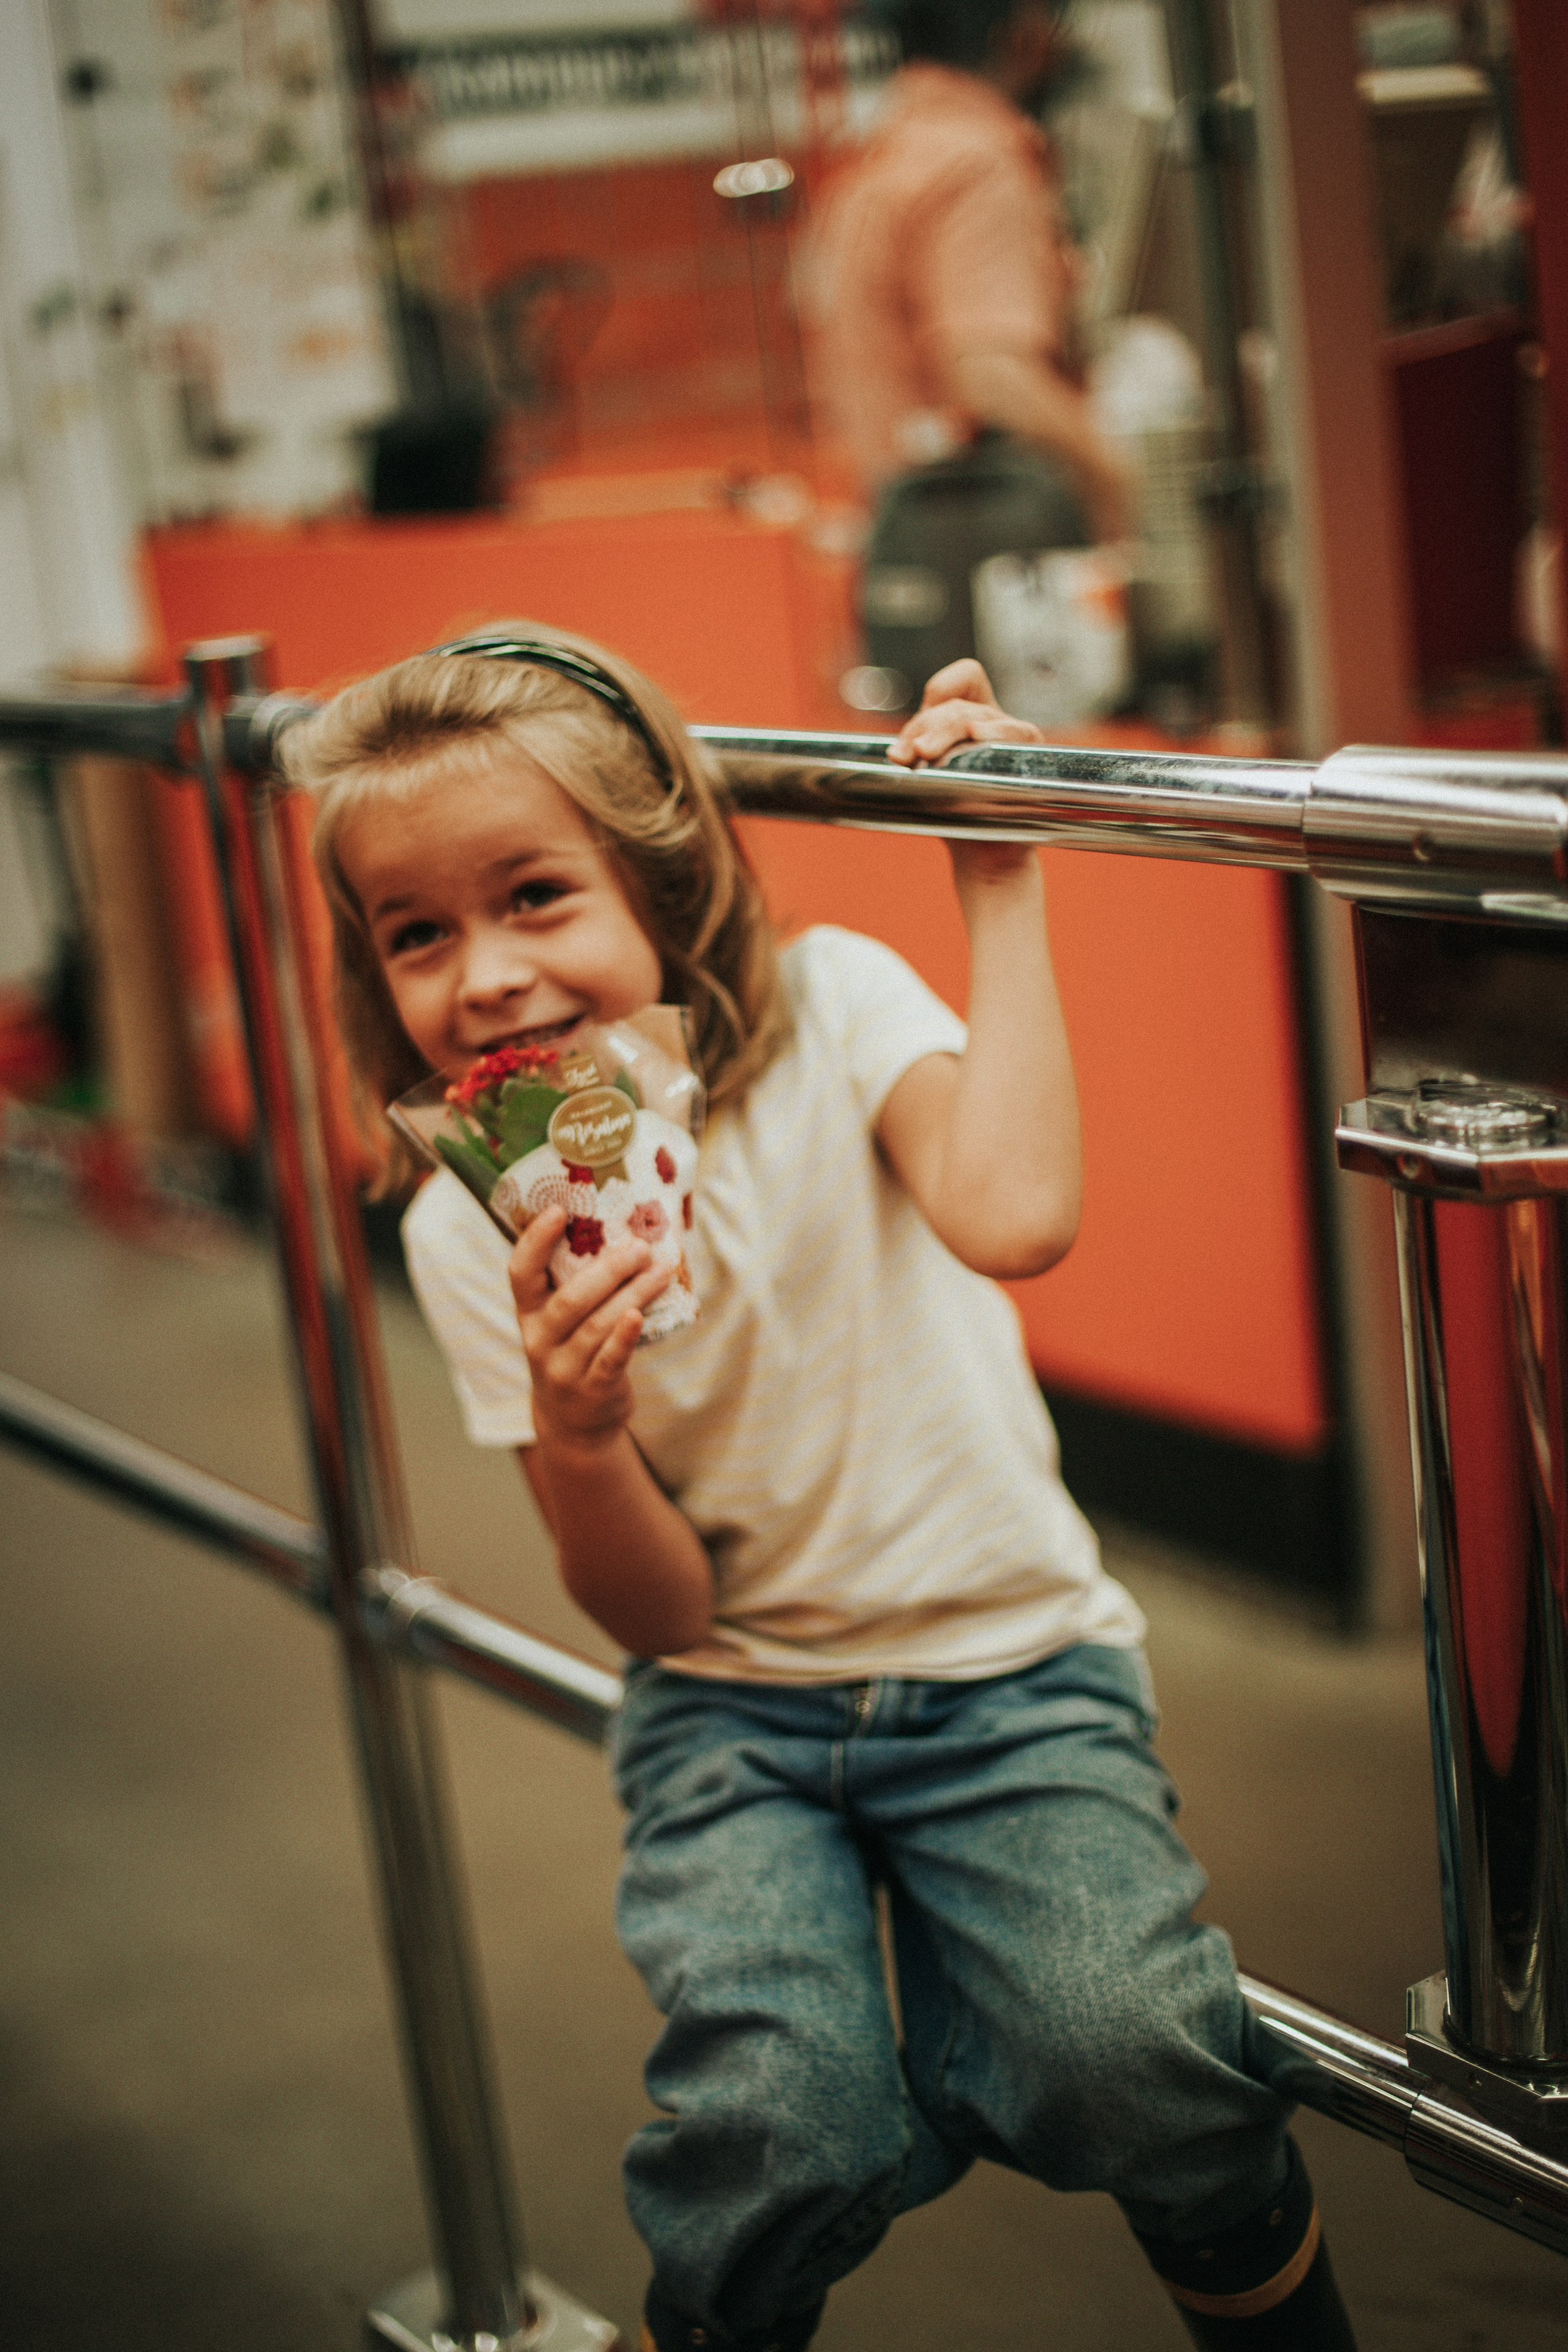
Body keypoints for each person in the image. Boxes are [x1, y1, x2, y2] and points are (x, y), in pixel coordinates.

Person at [282, 624, 1357, 2352]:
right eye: (417, 934)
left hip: (1011, 1671)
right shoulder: (465, 1224)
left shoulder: (838, 1009)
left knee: (1127, 2052)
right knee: (778, 2130)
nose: (481, 975)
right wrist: (578, 1424)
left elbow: (1016, 1219)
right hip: (733, 1715)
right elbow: (664, 1616)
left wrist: (996, 876)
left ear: (661, 883)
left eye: (535, 896)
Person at [809, 0, 1136, 698]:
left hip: (915, 571)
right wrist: (1126, 486)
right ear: (1021, 32)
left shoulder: (891, 152)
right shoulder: (979, 162)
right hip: (992, 583)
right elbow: (987, 372)